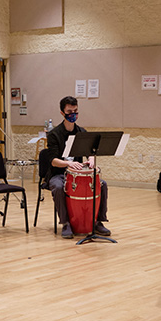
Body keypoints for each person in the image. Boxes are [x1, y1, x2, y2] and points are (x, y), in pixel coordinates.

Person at [45, 96, 111, 239]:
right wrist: (69, 163)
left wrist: (92, 160)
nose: (73, 114)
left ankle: (98, 221)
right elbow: (53, 161)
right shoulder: (54, 134)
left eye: (76, 111)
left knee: (102, 184)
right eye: (70, 111)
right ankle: (66, 223)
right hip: (59, 173)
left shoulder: (82, 132)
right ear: (62, 113)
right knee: (57, 187)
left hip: (78, 174)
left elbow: (90, 152)